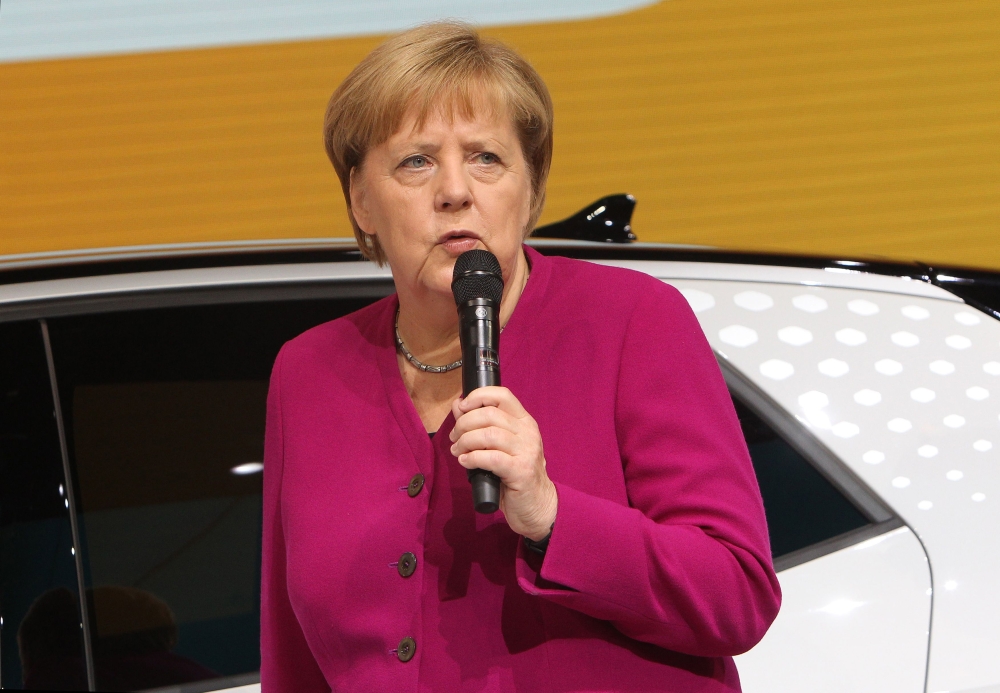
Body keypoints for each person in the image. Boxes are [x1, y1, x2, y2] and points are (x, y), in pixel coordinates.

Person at [261, 21, 780, 692]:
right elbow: (291, 659)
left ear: (529, 189)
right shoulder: (307, 371)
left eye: (486, 158)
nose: (455, 190)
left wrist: (552, 514)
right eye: (416, 161)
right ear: (362, 199)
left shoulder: (631, 320)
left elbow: (737, 593)